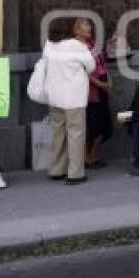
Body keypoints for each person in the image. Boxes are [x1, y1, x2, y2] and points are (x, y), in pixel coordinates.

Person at [44, 18, 96, 185]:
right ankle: (75, 173)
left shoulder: (50, 46)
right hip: (74, 98)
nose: (88, 29)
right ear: (73, 30)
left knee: (58, 134)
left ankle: (56, 170)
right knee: (76, 134)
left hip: (55, 97)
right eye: (83, 26)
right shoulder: (79, 47)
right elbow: (91, 67)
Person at [85, 36, 112, 169]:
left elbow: (103, 62)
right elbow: (84, 72)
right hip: (91, 92)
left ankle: (93, 155)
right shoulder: (79, 48)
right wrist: (100, 84)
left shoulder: (95, 44)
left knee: (105, 127)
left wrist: (108, 81)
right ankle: (88, 158)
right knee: (93, 127)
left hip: (102, 89)